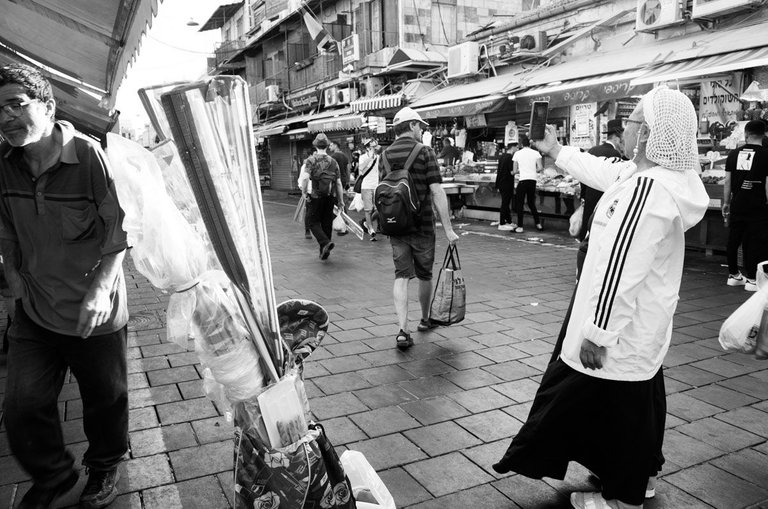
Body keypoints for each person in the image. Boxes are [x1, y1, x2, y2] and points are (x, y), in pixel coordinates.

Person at [492, 86, 709, 509]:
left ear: (647, 134)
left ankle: (623, 500)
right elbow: (600, 170)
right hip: (639, 331)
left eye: (630, 123)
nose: (624, 130)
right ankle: (636, 482)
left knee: (620, 410)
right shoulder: (646, 177)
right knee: (637, 406)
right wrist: (555, 149)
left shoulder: (647, 192)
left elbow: (621, 269)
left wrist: (598, 333)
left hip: (620, 332)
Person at [0, 63, 130, 509]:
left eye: (16, 104)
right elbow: (7, 227)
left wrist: (100, 289)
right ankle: (54, 476)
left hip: (94, 312)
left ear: (49, 106)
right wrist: (13, 275)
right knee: (21, 404)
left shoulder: (89, 157)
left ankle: (105, 466)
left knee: (104, 401)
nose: (5, 117)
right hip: (35, 309)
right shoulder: (5, 165)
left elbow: (120, 231)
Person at [379, 107, 458, 349]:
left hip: (396, 225)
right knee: (425, 274)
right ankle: (425, 319)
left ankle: (403, 330)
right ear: (412, 125)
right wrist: (448, 229)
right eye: (420, 126)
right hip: (423, 225)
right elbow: (436, 191)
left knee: (401, 275)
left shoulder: (384, 154)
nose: (421, 129)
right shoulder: (425, 152)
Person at [723, 119, 768, 292]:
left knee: (734, 239)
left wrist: (726, 202)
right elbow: (767, 184)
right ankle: (751, 278)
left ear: (746, 134)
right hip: (758, 205)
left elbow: (727, 181)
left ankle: (733, 275)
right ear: (763, 134)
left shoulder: (733, 154)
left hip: (737, 203)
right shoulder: (766, 154)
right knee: (756, 241)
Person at [300, 133, 345, 260]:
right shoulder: (333, 161)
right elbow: (339, 183)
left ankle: (325, 243)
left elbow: (304, 178)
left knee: (312, 221)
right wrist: (341, 201)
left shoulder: (311, 160)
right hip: (330, 196)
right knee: (326, 223)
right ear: (327, 146)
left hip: (315, 196)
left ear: (315, 146)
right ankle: (324, 252)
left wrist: (304, 192)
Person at [579, 119, 626, 241]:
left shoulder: (593, 150)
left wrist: (583, 196)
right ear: (616, 138)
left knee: (587, 230)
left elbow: (584, 173)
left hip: (589, 196)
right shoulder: (615, 154)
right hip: (604, 198)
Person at [512, 134, 543, 232]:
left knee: (520, 204)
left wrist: (520, 170)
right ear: (529, 144)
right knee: (531, 203)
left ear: (521, 144)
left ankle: (520, 226)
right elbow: (540, 168)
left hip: (523, 180)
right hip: (532, 180)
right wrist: (533, 170)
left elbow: (515, 170)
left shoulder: (517, 154)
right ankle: (538, 224)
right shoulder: (536, 153)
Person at [357, 139, 380, 241]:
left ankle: (366, 223)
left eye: (376, 146)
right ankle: (371, 229)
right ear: (367, 148)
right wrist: (369, 158)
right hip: (366, 186)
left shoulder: (379, 157)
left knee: (380, 208)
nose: (375, 148)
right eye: (372, 147)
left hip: (377, 185)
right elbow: (361, 169)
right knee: (368, 209)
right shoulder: (362, 157)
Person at [495, 143, 517, 230]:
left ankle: (508, 221)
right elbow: (512, 172)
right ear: (513, 148)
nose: (517, 149)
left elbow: (499, 171)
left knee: (506, 203)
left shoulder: (502, 156)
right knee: (505, 203)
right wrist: (519, 170)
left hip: (501, 183)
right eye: (517, 147)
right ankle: (502, 223)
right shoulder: (510, 158)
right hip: (507, 183)